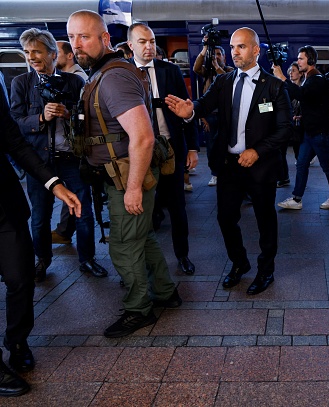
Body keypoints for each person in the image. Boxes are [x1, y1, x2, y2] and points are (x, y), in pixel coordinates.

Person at [67, 9, 181, 337]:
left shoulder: (113, 77)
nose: (77, 44)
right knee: (141, 237)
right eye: (72, 37)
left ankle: (138, 309)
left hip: (128, 176)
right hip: (119, 173)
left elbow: (143, 137)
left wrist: (132, 189)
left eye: (84, 36)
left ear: (105, 39)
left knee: (123, 244)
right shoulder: (103, 71)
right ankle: (164, 292)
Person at [166, 27, 292, 295]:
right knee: (225, 218)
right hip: (229, 165)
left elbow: (284, 130)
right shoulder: (224, 82)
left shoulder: (274, 87)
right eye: (233, 47)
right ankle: (239, 262)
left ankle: (266, 270)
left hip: (260, 167)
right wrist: (189, 112)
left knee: (265, 221)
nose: (235, 52)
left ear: (256, 50)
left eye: (242, 47)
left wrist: (257, 151)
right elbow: (203, 104)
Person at [0, 71, 81, 397]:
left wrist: (54, 183)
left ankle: (17, 341)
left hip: (5, 207)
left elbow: (14, 142)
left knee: (20, 279)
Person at [10, 28, 107, 281]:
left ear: (53, 54)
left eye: (37, 52)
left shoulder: (74, 82)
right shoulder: (20, 83)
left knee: (83, 212)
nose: (31, 57)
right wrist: (41, 117)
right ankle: (42, 260)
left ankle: (87, 259)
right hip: (38, 162)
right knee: (40, 218)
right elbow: (15, 121)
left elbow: (90, 118)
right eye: (28, 52)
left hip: (71, 159)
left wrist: (70, 114)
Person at [127, 22, 200, 275]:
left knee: (178, 207)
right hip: (138, 153)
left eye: (151, 41)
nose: (149, 46)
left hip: (170, 148)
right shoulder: (123, 74)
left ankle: (183, 255)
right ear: (130, 46)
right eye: (142, 42)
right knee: (143, 210)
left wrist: (192, 147)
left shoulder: (170, 71)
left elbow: (185, 110)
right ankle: (143, 262)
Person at [273, 46, 329, 210]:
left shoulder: (317, 79)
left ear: (311, 60)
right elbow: (314, 104)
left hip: (319, 133)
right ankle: (297, 199)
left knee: (327, 165)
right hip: (310, 132)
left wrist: (282, 78)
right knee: (301, 164)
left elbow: (301, 94)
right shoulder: (310, 78)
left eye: (301, 58)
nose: (298, 61)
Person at [52, 40, 89, 245]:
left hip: (72, 148)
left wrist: (69, 114)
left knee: (78, 194)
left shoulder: (78, 79)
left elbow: (84, 116)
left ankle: (66, 232)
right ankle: (64, 230)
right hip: (62, 147)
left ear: (69, 56)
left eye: (56, 52)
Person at [193, 40, 234, 187]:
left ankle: (228, 173)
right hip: (210, 116)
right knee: (211, 146)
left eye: (218, 54)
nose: (216, 57)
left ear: (224, 57)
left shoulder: (230, 71)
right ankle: (214, 174)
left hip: (225, 116)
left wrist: (217, 67)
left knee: (226, 146)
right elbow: (196, 68)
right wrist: (204, 50)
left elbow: (227, 81)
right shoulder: (207, 72)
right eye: (214, 55)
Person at [277, 61, 305, 188]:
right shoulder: (286, 88)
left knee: (299, 155)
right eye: (289, 71)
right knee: (280, 151)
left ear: (300, 73)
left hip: (298, 127)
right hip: (287, 126)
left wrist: (300, 116)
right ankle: (283, 178)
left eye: (293, 70)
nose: (290, 73)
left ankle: (300, 182)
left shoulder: (303, 89)